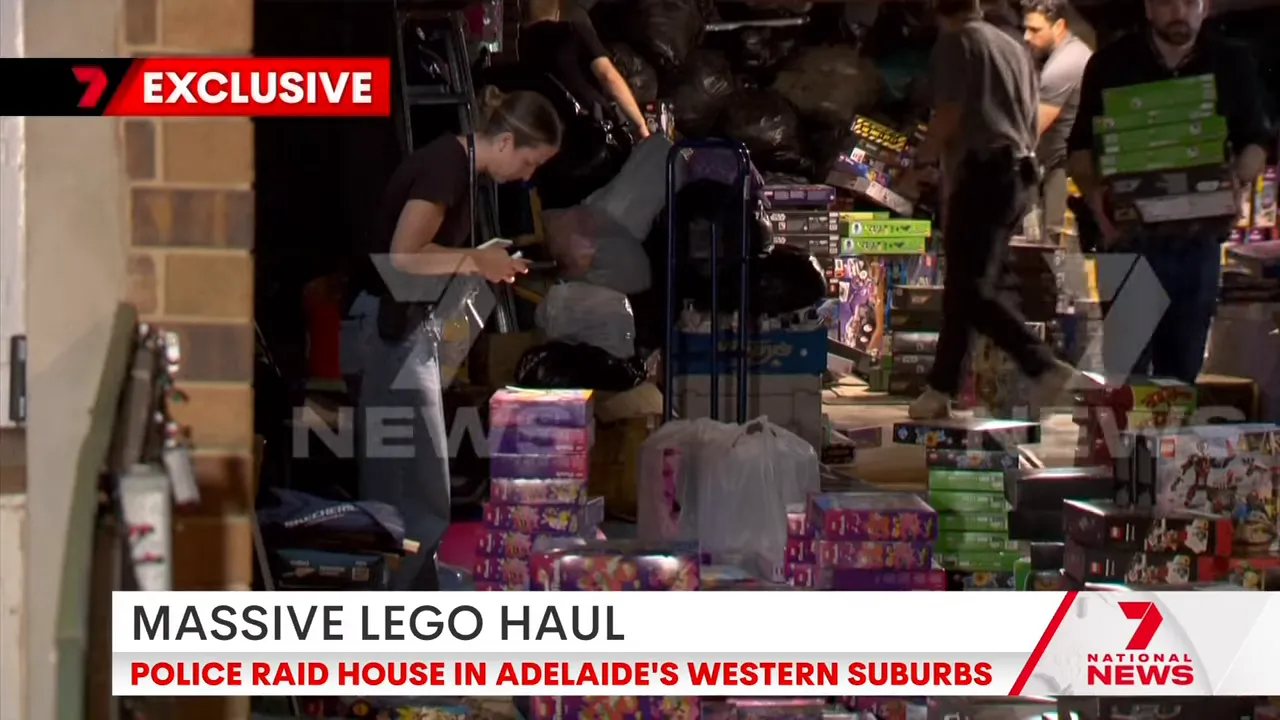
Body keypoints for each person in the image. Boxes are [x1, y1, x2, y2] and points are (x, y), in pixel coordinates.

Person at [342, 87, 562, 590]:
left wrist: (480, 257)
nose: (526, 176)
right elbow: (403, 256)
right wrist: (473, 260)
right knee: (409, 489)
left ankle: (412, 597)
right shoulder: (444, 166)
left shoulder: (459, 169)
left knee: (412, 485)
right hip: (388, 334)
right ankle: (396, 613)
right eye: (529, 162)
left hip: (403, 333)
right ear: (505, 141)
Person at [1065, 0, 1272, 384]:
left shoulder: (1231, 63)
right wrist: (1098, 204)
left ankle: (1169, 445)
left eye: (1190, 2)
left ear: (1205, 8)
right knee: (1126, 381)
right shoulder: (1111, 64)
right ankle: (1125, 446)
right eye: (1167, 2)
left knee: (1180, 379)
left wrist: (1237, 181)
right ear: (1147, 8)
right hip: (1129, 242)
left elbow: (1257, 138)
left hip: (1198, 246)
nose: (1179, 11)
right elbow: (1079, 150)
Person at [898, 0, 1078, 420]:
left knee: (972, 289)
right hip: (1017, 174)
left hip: (985, 171)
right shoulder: (1012, 45)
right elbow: (1029, 119)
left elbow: (948, 115)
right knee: (967, 286)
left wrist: (921, 165)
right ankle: (941, 386)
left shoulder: (956, 42)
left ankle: (1041, 364)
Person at [518, 0, 650, 138]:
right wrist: (640, 124)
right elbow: (608, 76)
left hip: (549, 132)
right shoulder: (573, 31)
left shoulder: (520, 47)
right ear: (557, 14)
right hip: (594, 127)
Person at [1022, 0, 1092, 237]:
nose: (1026, 37)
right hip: (1056, 165)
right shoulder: (1065, 54)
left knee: (1056, 250)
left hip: (1062, 169)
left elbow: (1030, 130)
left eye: (1035, 30)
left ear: (1059, 26)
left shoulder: (1064, 65)